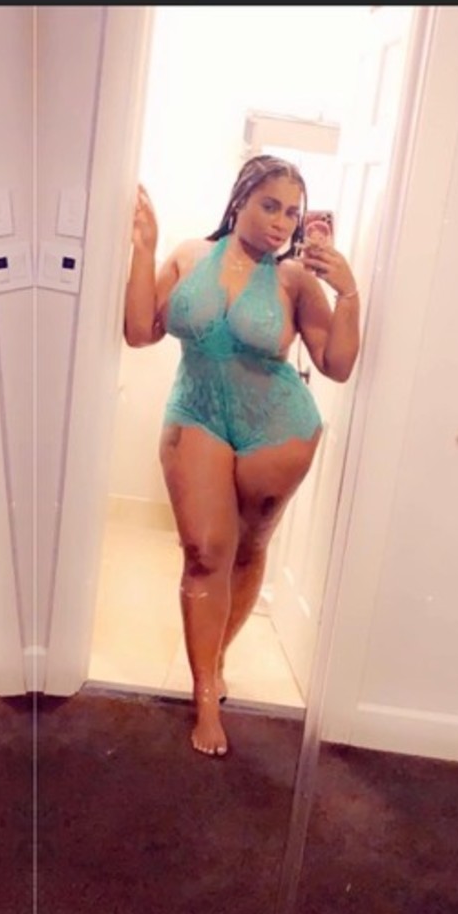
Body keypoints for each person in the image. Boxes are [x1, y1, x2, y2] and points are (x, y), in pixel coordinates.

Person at [124, 153, 361, 759]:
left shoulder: (294, 280)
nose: (281, 223)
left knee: (249, 549)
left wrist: (349, 292)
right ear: (240, 201)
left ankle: (218, 654)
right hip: (197, 413)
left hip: (277, 428)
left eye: (292, 213)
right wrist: (144, 249)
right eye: (270, 206)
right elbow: (140, 331)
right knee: (206, 552)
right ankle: (205, 694)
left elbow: (336, 365)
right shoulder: (189, 256)